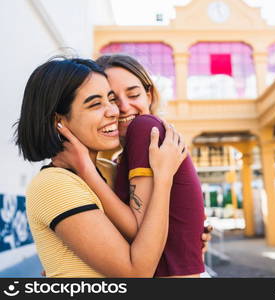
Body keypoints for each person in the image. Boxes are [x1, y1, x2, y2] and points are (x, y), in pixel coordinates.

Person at [15, 57, 187, 277]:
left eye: (110, 99)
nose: (115, 111)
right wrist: (164, 178)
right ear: (59, 121)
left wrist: (188, 234)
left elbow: (146, 233)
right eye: (95, 104)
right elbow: (137, 273)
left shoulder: (108, 170)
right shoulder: (55, 184)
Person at [57, 54, 207, 277]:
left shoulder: (145, 128)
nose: (124, 107)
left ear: (149, 95)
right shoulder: (121, 158)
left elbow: (138, 229)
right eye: (112, 99)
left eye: (133, 94)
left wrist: (86, 170)